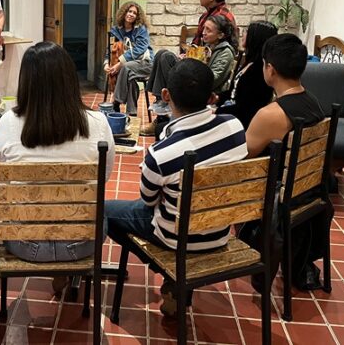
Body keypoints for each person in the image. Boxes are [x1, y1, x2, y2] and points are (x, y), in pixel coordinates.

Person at [105, 59, 247, 316]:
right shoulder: (235, 128)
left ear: (166, 95)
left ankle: (170, 272)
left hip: (176, 239)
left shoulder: (161, 154)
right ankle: (175, 282)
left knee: (103, 211)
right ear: (212, 97)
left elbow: (148, 201)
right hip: (220, 233)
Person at [0, 42, 114, 284]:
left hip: (24, 242)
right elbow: (105, 176)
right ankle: (65, 274)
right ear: (69, 79)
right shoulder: (98, 122)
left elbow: (0, 181)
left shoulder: (7, 123)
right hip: (82, 242)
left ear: (26, 81)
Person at [244, 33, 326, 291]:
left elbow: (243, 157)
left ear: (270, 69)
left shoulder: (272, 114)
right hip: (310, 190)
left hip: (281, 197)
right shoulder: (314, 101)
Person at [143, 0, 236, 132]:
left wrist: (193, 62)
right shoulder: (206, 18)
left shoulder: (223, 19)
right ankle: (161, 105)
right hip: (195, 65)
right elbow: (197, 47)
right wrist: (188, 55)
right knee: (162, 54)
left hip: (199, 77)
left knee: (166, 59)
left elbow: (213, 75)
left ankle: (163, 111)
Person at [218, 20, 278, 129]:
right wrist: (217, 98)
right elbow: (234, 93)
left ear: (255, 38)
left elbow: (246, 109)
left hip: (241, 123)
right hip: (231, 113)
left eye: (247, 31)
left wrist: (217, 111)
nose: (243, 34)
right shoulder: (249, 62)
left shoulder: (259, 71)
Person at [103, 2, 154, 116]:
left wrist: (120, 63)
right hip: (129, 67)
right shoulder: (116, 30)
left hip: (145, 63)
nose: (131, 14)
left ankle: (115, 102)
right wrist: (106, 63)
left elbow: (140, 49)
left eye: (134, 13)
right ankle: (132, 113)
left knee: (126, 68)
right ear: (124, 12)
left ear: (137, 16)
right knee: (130, 78)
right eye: (129, 11)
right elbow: (110, 49)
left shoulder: (141, 29)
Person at [203, 15, 238, 96]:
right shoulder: (208, 47)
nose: (203, 33)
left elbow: (212, 80)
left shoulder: (226, 52)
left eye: (208, 30)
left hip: (211, 95)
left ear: (220, 35)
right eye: (204, 28)